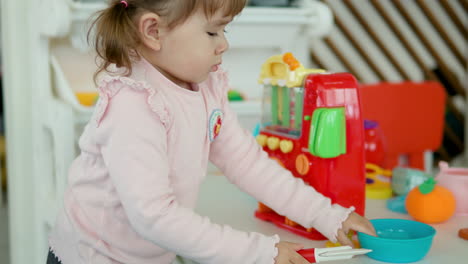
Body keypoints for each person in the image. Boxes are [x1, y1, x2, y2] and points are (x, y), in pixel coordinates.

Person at [48, 0, 376, 263]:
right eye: (212, 32)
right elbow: (155, 217)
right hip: (93, 254)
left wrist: (326, 215)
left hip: (152, 250)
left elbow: (249, 164)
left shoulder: (205, 90)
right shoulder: (133, 107)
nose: (224, 45)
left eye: (225, 30)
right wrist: (259, 252)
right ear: (153, 31)